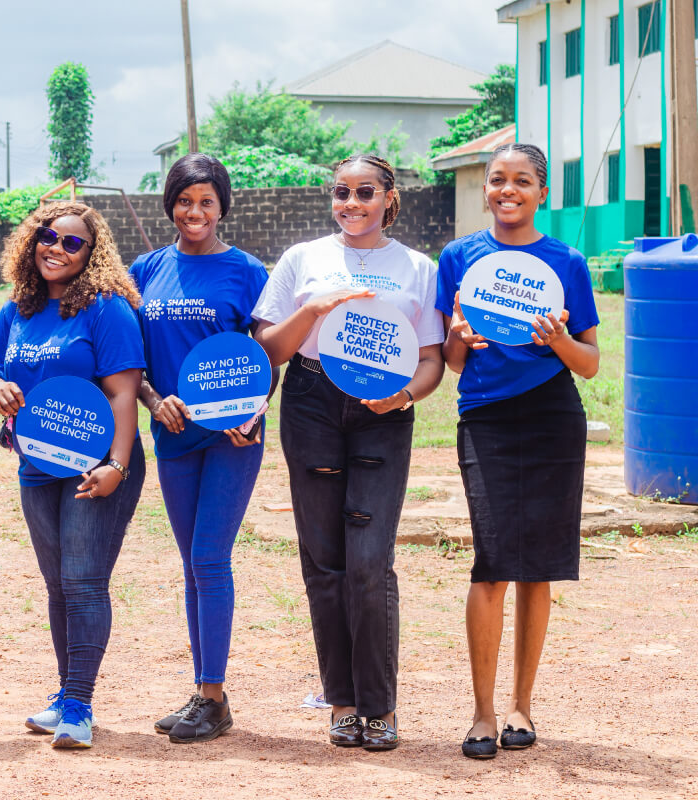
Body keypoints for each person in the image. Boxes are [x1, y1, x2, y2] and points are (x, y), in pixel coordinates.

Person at [253, 154, 445, 752]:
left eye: (366, 193)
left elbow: (433, 357)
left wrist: (406, 395)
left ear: (389, 197)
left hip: (384, 408)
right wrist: (311, 312)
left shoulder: (418, 268)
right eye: (342, 193)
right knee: (325, 559)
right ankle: (341, 702)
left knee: (369, 560)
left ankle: (379, 709)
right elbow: (267, 348)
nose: (352, 203)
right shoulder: (301, 259)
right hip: (312, 400)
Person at [436, 143, 600, 760]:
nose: (509, 189)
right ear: (484, 189)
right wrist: (456, 338)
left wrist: (557, 340)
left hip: (554, 416)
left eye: (523, 180)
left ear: (542, 192)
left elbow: (588, 365)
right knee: (493, 560)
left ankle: (521, 707)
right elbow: (454, 365)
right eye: (498, 179)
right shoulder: (458, 258)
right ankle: (481, 713)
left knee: (541, 565)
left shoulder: (567, 262)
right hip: (485, 419)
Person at [0, 202, 146, 749]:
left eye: (72, 243)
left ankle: (79, 704)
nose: (56, 248)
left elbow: (124, 394)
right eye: (48, 237)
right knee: (57, 585)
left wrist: (116, 465)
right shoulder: (17, 310)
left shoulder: (107, 308)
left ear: (91, 253)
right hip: (38, 464)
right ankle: (64, 693)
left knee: (83, 581)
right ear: (32, 242)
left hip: (96, 464)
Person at [130, 154, 273, 744]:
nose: (195, 212)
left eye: (207, 201)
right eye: (185, 201)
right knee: (192, 564)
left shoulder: (247, 271)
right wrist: (150, 398)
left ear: (222, 207)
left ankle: (213, 697)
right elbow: (127, 360)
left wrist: (254, 411)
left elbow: (266, 356)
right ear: (171, 204)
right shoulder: (145, 270)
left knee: (210, 558)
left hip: (232, 439)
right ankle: (203, 691)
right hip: (174, 435)